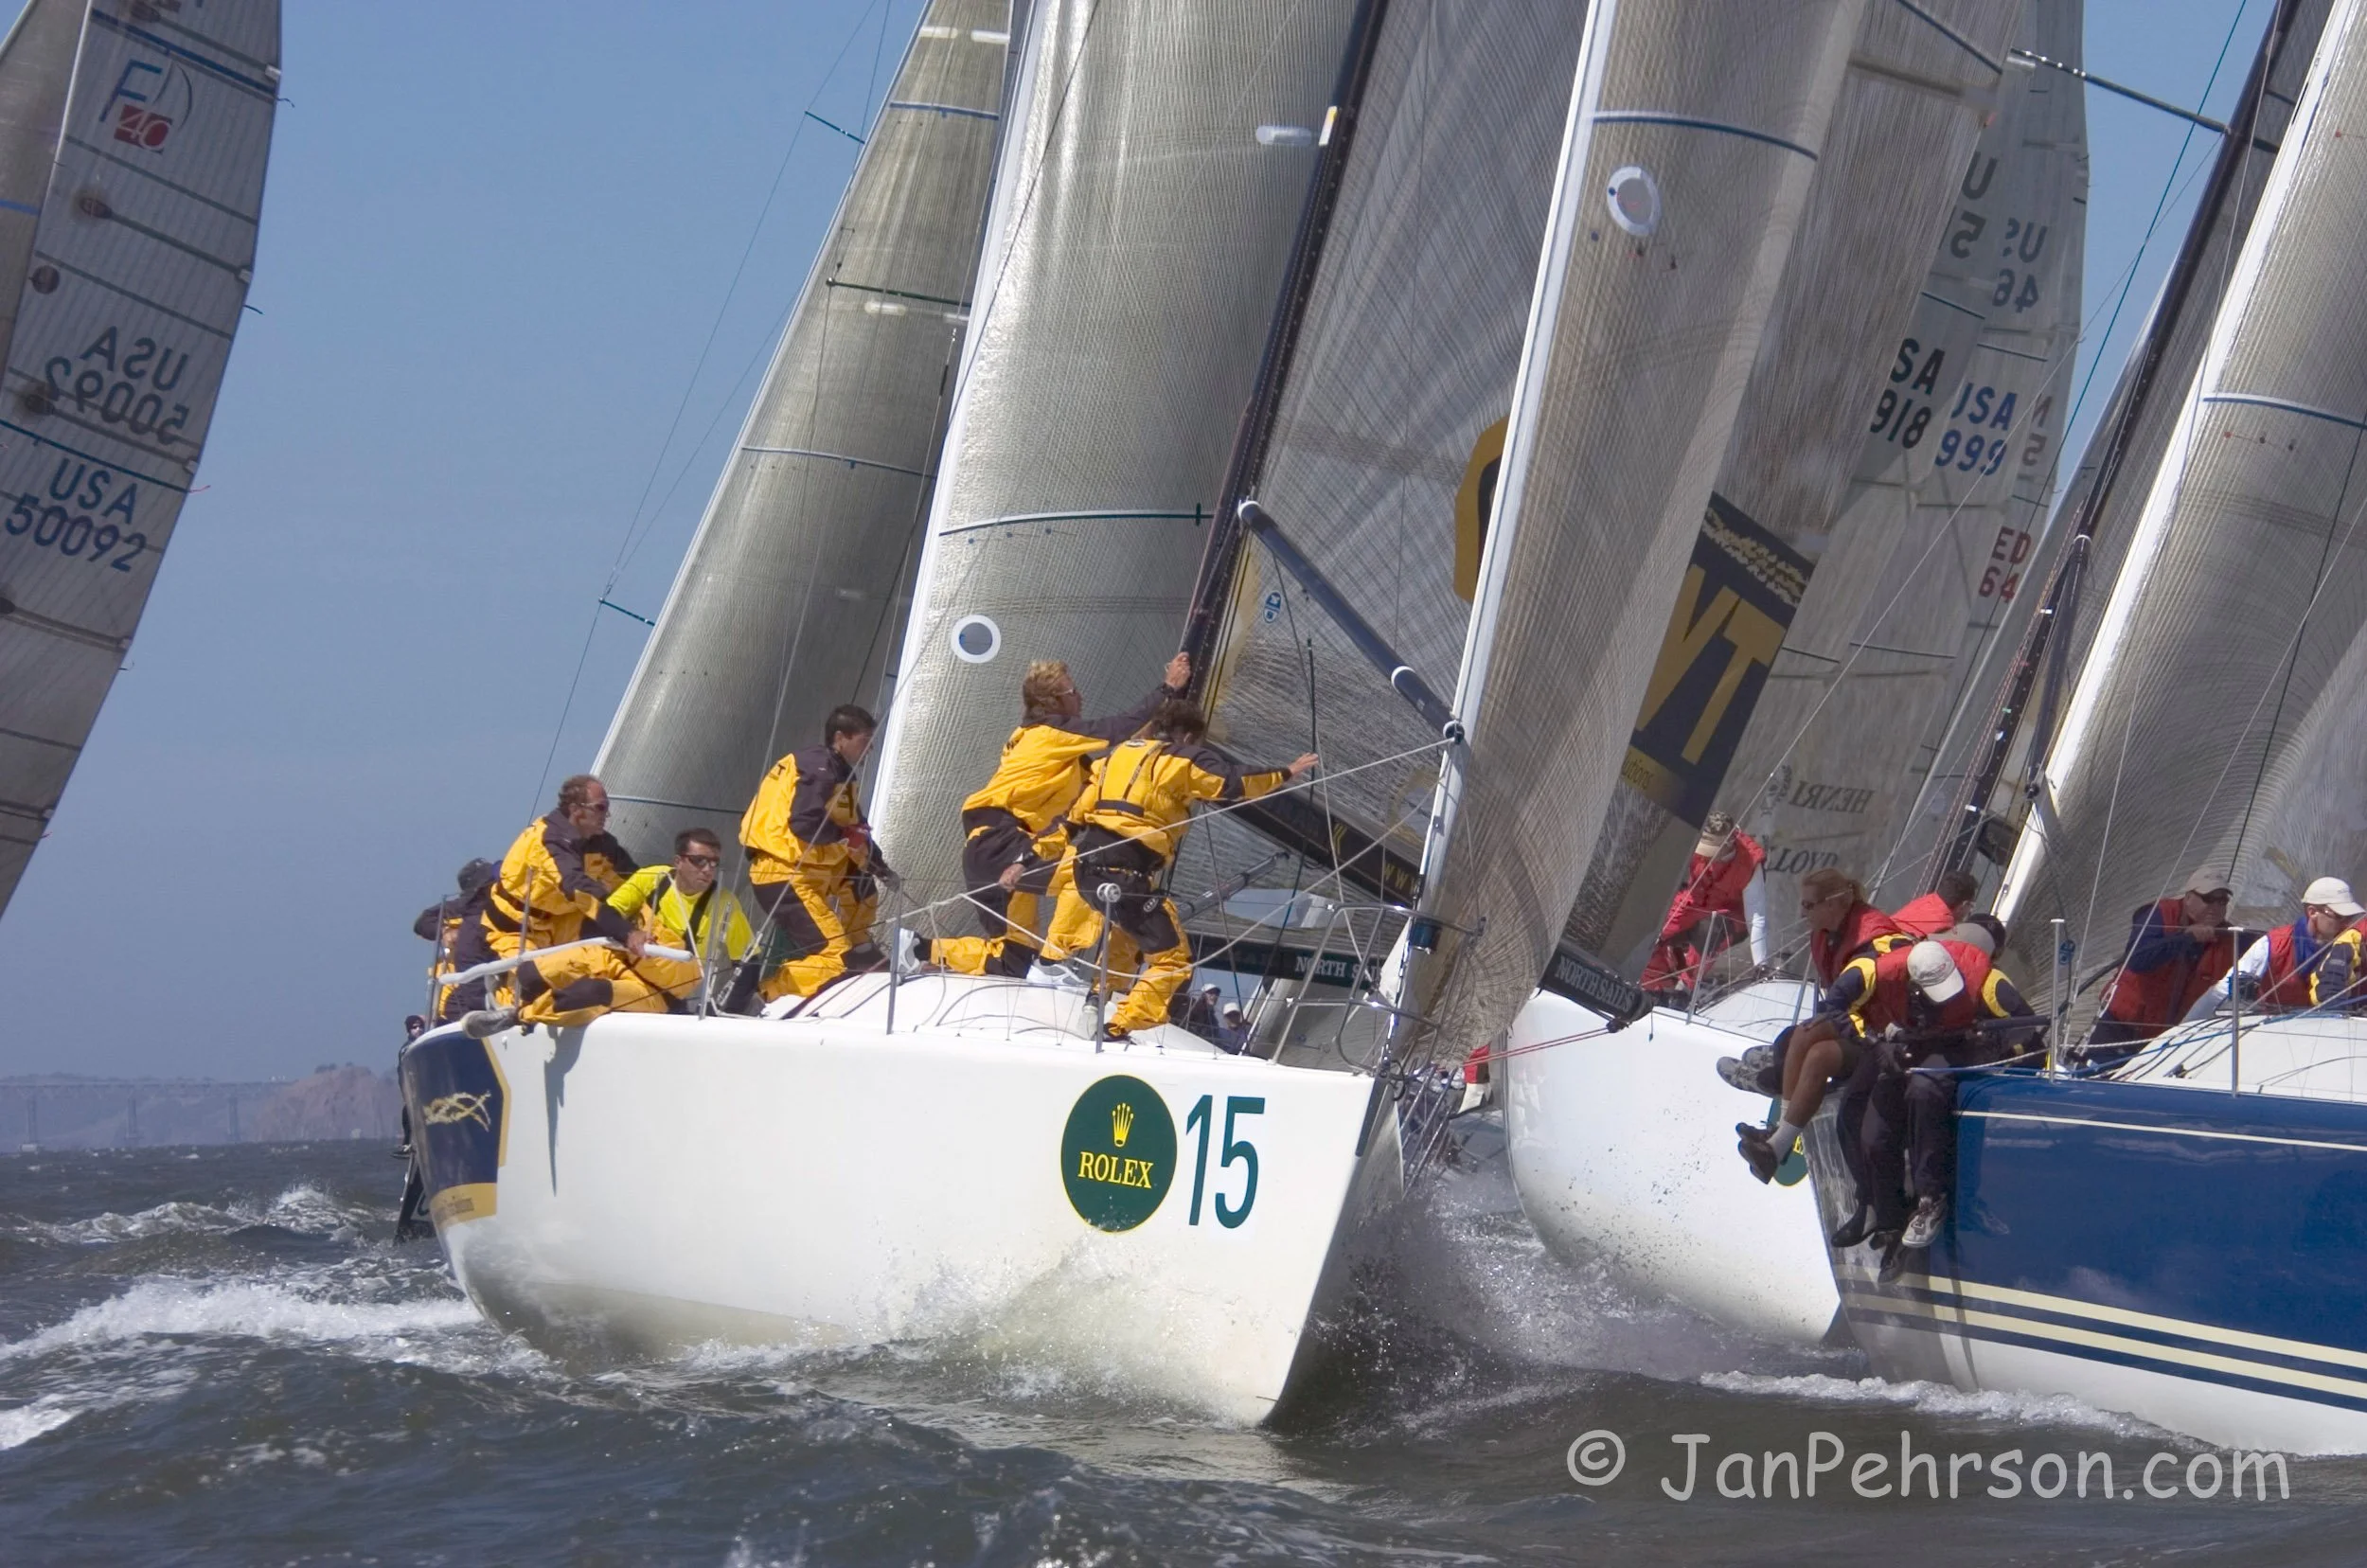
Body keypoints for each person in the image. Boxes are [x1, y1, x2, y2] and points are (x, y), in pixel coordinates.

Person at [1031, 699, 1315, 1040]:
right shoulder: (1184, 757)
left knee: (1127, 935)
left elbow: (1075, 817)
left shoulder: (1115, 757)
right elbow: (1229, 782)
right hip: (1126, 873)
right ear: (1190, 735)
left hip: (1087, 868)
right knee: (1172, 960)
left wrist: (1029, 856)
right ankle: (1117, 1028)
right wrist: (1286, 772)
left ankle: (1094, 999)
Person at [928, 652, 1191, 978]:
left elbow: (1109, 765)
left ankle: (921, 949)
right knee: (1095, 869)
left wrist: (1155, 729)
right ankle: (1052, 963)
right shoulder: (1049, 733)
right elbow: (1117, 729)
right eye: (1072, 692)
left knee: (1011, 960)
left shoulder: (1047, 746)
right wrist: (1167, 689)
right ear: (1053, 702)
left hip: (994, 848)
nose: (1081, 696)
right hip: (1002, 842)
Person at [1847, 939, 2036, 1281]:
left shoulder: (1988, 980)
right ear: (1912, 984)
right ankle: (1888, 1223)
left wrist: (1998, 1045)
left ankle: (1930, 1198)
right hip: (1906, 1049)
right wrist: (1877, 1046)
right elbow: (1844, 1011)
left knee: (1926, 1089)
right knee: (1874, 1135)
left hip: (1959, 1050)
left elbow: (2027, 1022)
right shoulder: (1883, 978)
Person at [443, 775, 648, 1029]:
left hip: (562, 922)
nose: (606, 815)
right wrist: (626, 932)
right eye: (601, 808)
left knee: (606, 960)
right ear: (576, 810)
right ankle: (503, 1008)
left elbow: (635, 880)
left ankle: (635, 998)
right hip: (516, 926)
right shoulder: (548, 842)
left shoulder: (602, 843)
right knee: (535, 980)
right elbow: (577, 887)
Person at [730, 704, 894, 1008]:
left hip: (812, 870)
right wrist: (847, 835)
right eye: (865, 739)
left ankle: (860, 947)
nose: (870, 747)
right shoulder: (818, 768)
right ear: (841, 738)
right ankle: (760, 995)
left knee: (862, 883)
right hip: (782, 874)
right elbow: (804, 822)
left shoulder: (837, 771)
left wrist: (881, 866)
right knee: (834, 957)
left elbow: (854, 827)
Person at [1716, 867, 1908, 1097]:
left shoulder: (1871, 944)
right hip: (1852, 1020)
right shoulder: (1829, 932)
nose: (1802, 913)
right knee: (1788, 1039)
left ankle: (1772, 1084)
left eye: (1808, 905)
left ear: (1831, 904)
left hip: (1875, 1037)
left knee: (1808, 1046)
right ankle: (1783, 1065)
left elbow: (1873, 1008)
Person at [2086, 867, 2237, 1065]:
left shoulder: (2230, 938)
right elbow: (2139, 960)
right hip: (2122, 1028)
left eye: (2222, 901)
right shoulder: (2158, 915)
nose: (2216, 907)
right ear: (2189, 898)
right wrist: (2185, 937)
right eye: (2209, 899)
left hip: (2172, 1040)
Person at [592, 828, 756, 1008]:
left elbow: (749, 962)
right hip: (620, 969)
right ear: (678, 861)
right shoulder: (655, 878)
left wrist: (727, 1011)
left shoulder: (724, 904)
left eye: (714, 863)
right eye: (699, 861)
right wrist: (630, 933)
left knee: (591, 992)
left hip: (662, 997)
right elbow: (606, 913)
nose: (708, 870)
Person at [2184, 876, 2361, 1020]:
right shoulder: (2272, 944)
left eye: (2350, 917)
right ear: (2312, 912)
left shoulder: (2351, 946)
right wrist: (2184, 1028)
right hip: (2271, 1034)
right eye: (2339, 915)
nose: (2346, 923)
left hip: (2323, 1034)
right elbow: (2222, 991)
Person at [1638, 810, 1769, 998]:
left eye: (1712, 851)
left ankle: (1685, 989)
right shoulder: (1692, 840)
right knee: (1651, 932)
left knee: (1710, 929)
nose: (1706, 856)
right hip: (1694, 902)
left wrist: (1761, 965)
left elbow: (1757, 917)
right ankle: (1656, 989)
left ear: (1730, 843)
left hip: (1731, 916)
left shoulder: (1749, 863)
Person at [415, 858, 497, 1020]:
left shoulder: (510, 906)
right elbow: (423, 922)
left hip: (497, 983)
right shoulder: (460, 909)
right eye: (489, 883)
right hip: (457, 992)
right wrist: (445, 931)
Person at [1891, 868, 1979, 938]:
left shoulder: (1923, 901)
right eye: (1971, 905)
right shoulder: (1945, 929)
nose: (1970, 910)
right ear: (1963, 905)